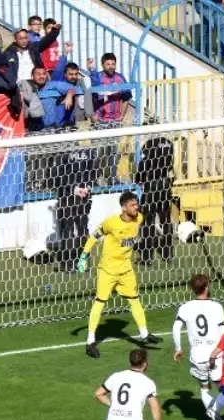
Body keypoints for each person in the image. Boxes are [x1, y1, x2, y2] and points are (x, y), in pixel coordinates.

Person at [78, 191, 161, 358]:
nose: (136, 207)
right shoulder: (111, 223)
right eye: (132, 205)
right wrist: (84, 256)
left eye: (136, 204)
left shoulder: (139, 218)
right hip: (108, 270)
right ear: (123, 207)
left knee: (135, 300)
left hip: (126, 270)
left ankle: (144, 334)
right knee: (100, 302)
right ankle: (90, 341)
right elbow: (94, 236)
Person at [172, 274, 224, 420]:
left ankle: (214, 417)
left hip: (196, 356)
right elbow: (223, 331)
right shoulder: (216, 307)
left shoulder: (185, 307)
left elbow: (176, 328)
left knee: (204, 386)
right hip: (214, 355)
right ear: (207, 287)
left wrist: (178, 348)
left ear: (192, 289)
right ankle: (214, 410)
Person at [50, 132, 95, 271]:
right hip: (84, 197)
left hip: (67, 197)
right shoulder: (87, 152)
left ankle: (68, 264)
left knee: (68, 229)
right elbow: (93, 171)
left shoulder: (62, 155)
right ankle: (83, 263)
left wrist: (74, 189)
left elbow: (57, 178)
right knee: (82, 229)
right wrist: (87, 187)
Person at [135, 130, 175, 264]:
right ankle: (168, 254)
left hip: (152, 185)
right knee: (166, 221)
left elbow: (144, 164)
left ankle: (147, 257)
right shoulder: (169, 144)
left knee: (147, 222)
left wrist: (138, 178)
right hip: (165, 185)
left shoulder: (149, 144)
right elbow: (170, 165)